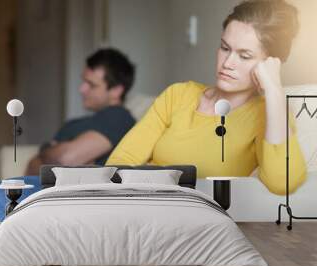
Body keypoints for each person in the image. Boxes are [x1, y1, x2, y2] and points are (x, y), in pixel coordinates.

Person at [106, 0, 307, 195]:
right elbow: (121, 161)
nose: (227, 62)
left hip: (200, 218)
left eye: (244, 56)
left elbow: (283, 183)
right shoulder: (178, 95)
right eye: (225, 48)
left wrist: (274, 89)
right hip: (142, 205)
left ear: (270, 64)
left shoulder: (269, 117)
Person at [25, 48, 136, 175]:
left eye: (91, 84)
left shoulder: (119, 118)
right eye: (83, 81)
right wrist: (49, 155)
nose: (81, 89)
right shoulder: (74, 123)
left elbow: (66, 159)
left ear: (116, 90)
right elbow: (31, 166)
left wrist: (45, 151)